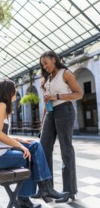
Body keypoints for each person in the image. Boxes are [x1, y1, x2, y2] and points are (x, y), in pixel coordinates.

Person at [0, 78, 69, 208]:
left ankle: (43, 189)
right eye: (15, 90)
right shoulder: (1, 106)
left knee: (35, 145)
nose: (16, 92)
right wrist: (20, 146)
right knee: (29, 157)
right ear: (9, 92)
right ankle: (33, 195)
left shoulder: (0, 106)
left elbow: (2, 135)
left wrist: (21, 140)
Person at [33, 51, 83, 203]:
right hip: (51, 113)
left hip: (65, 110)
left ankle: (69, 191)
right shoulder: (47, 79)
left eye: (46, 62)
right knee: (43, 148)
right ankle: (47, 188)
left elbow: (79, 94)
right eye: (43, 65)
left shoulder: (65, 73)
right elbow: (47, 103)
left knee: (65, 149)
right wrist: (43, 124)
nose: (45, 66)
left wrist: (57, 96)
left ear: (54, 59)